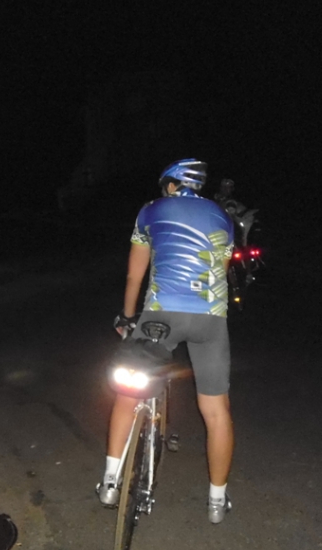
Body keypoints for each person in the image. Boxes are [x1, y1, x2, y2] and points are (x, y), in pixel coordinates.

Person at [99, 159, 237, 524]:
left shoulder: (150, 210)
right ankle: (217, 502)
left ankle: (110, 482)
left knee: (129, 393)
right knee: (216, 411)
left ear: (172, 186)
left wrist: (128, 318)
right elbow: (220, 273)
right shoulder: (223, 217)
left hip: (161, 315)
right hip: (210, 319)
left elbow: (135, 276)